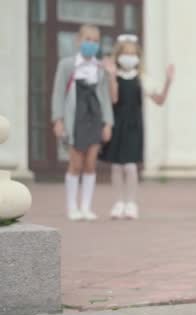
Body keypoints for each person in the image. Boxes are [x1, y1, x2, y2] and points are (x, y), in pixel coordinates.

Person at [99, 34, 174, 220]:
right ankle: (118, 202)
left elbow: (159, 100)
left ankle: (131, 203)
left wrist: (168, 82)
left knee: (130, 167)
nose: (129, 57)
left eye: (133, 54)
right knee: (116, 167)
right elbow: (114, 98)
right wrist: (111, 77)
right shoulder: (112, 76)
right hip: (117, 124)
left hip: (134, 125)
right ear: (118, 55)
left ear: (138, 57)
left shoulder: (142, 78)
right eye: (125, 53)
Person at [52, 24, 114, 221]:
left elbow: (104, 97)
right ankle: (72, 207)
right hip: (75, 119)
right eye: (88, 39)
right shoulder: (67, 65)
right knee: (75, 163)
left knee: (90, 164)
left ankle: (86, 207)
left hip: (94, 118)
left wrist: (108, 123)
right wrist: (58, 119)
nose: (91, 44)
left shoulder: (99, 68)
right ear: (78, 41)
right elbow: (58, 93)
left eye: (95, 41)